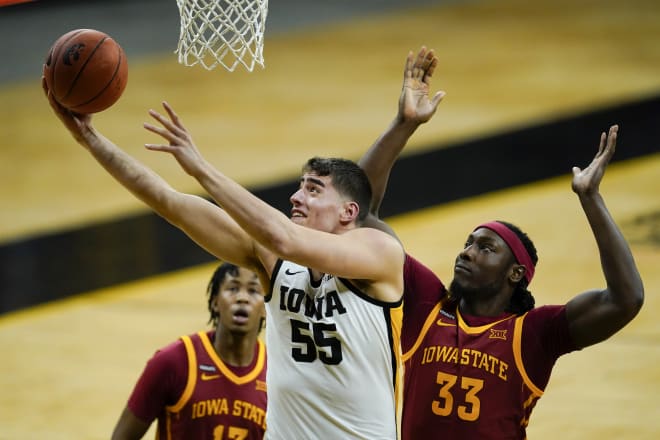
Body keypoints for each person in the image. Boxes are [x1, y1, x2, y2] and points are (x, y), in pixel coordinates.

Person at [42, 48, 441, 439]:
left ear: (348, 213)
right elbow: (168, 201)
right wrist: (89, 138)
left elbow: (283, 236)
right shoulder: (273, 261)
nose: (296, 198)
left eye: (314, 190)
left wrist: (200, 168)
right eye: (299, 187)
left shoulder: (379, 253)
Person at [357, 55, 645, 437]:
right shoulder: (426, 305)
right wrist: (403, 125)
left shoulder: (533, 333)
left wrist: (591, 199)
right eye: (468, 243)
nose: (467, 252)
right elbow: (359, 213)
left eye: (486, 248)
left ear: (516, 274)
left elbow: (626, 300)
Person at [111, 262, 267, 440]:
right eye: (232, 288)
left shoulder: (276, 373)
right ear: (215, 302)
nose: (242, 298)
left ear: (265, 308)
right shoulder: (174, 361)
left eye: (253, 291)